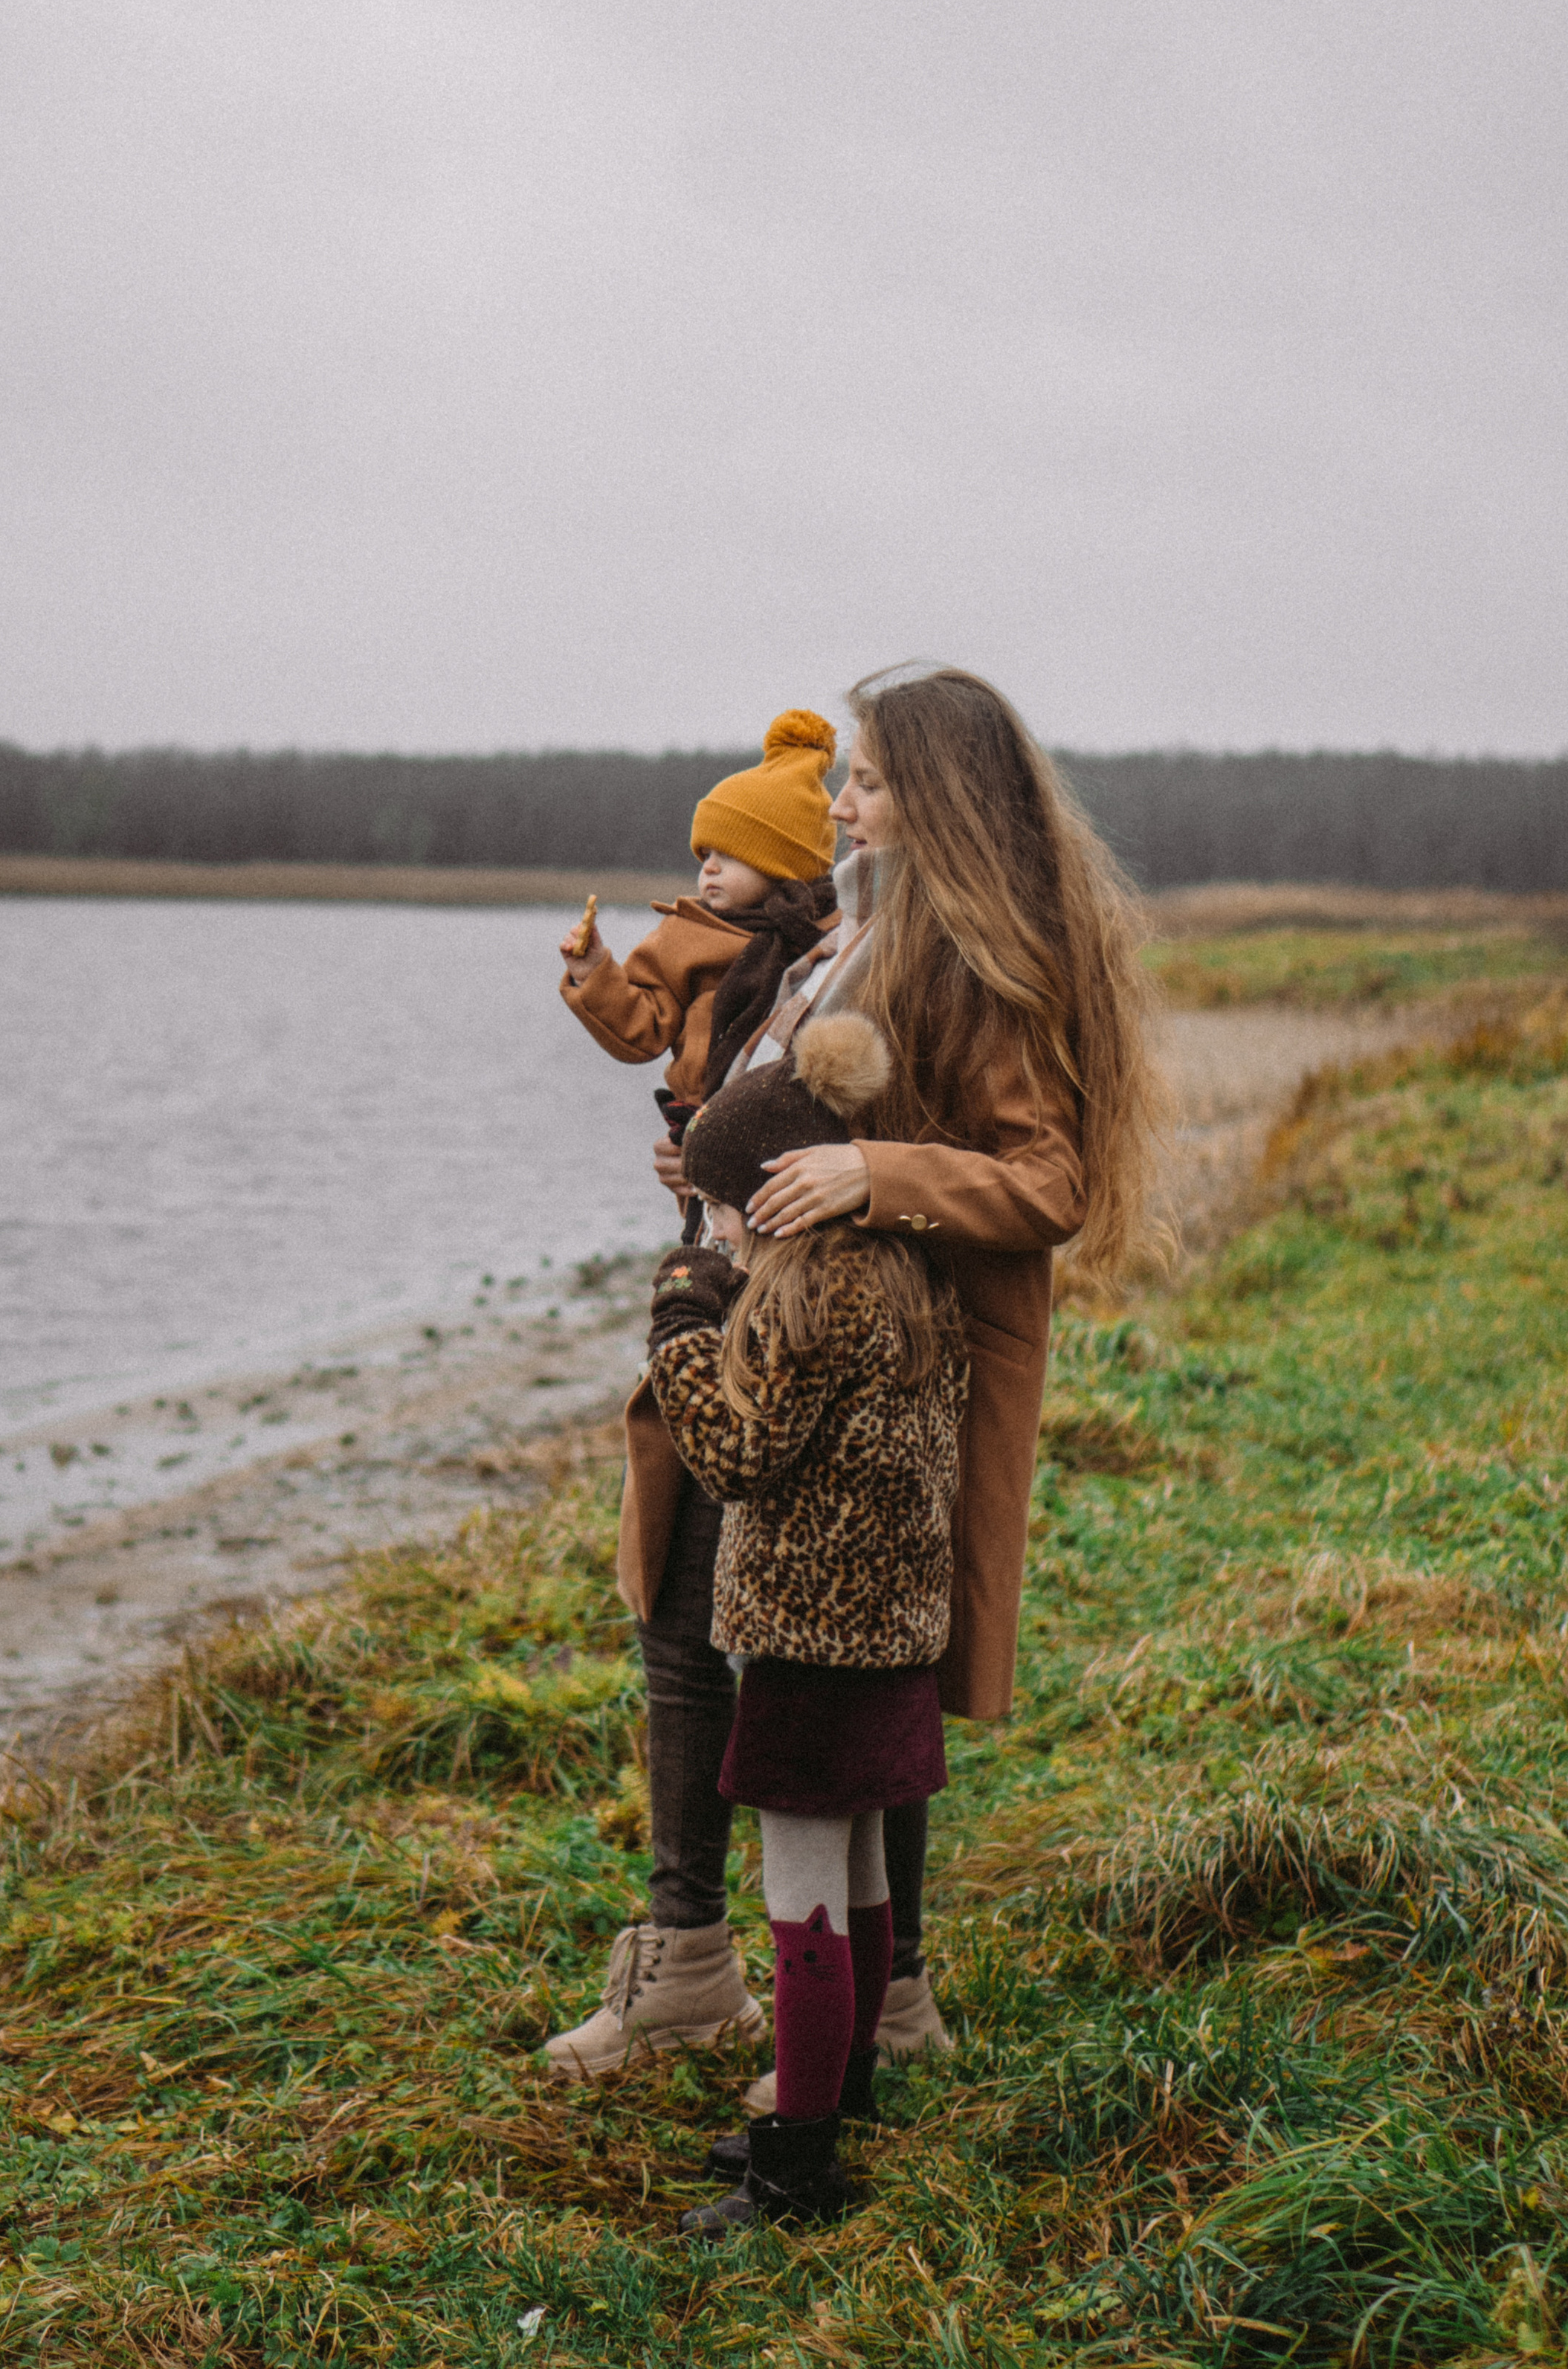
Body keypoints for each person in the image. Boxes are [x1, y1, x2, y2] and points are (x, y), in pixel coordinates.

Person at [544, 663, 1164, 2092]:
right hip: (763, 1326)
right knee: (688, 1632)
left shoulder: (974, 955)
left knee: (849, 1672)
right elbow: (798, 1092)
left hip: (849, 1376)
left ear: (936, 795)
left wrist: (865, 1176)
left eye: (868, 779)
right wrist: (714, 1157)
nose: (839, 802)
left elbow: (1049, 1178)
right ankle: (694, 1965)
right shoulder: (851, 938)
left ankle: (879, 2003)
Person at [645, 1011, 969, 2233]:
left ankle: (800, 2167)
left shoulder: (802, 1297)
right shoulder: (908, 1269)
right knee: (868, 1876)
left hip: (806, 1640)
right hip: (888, 1631)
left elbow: (734, 1457)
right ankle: (846, 2086)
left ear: (776, 1203)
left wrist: (682, 1320)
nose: (717, 1235)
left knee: (806, 1909)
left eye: (727, 1213)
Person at [557, 710, 841, 1109]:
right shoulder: (686, 934)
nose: (709, 866)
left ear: (782, 865)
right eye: (705, 853)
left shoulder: (833, 934)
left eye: (729, 854)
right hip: (702, 1112)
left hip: (797, 1120)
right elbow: (644, 1031)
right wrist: (593, 974)